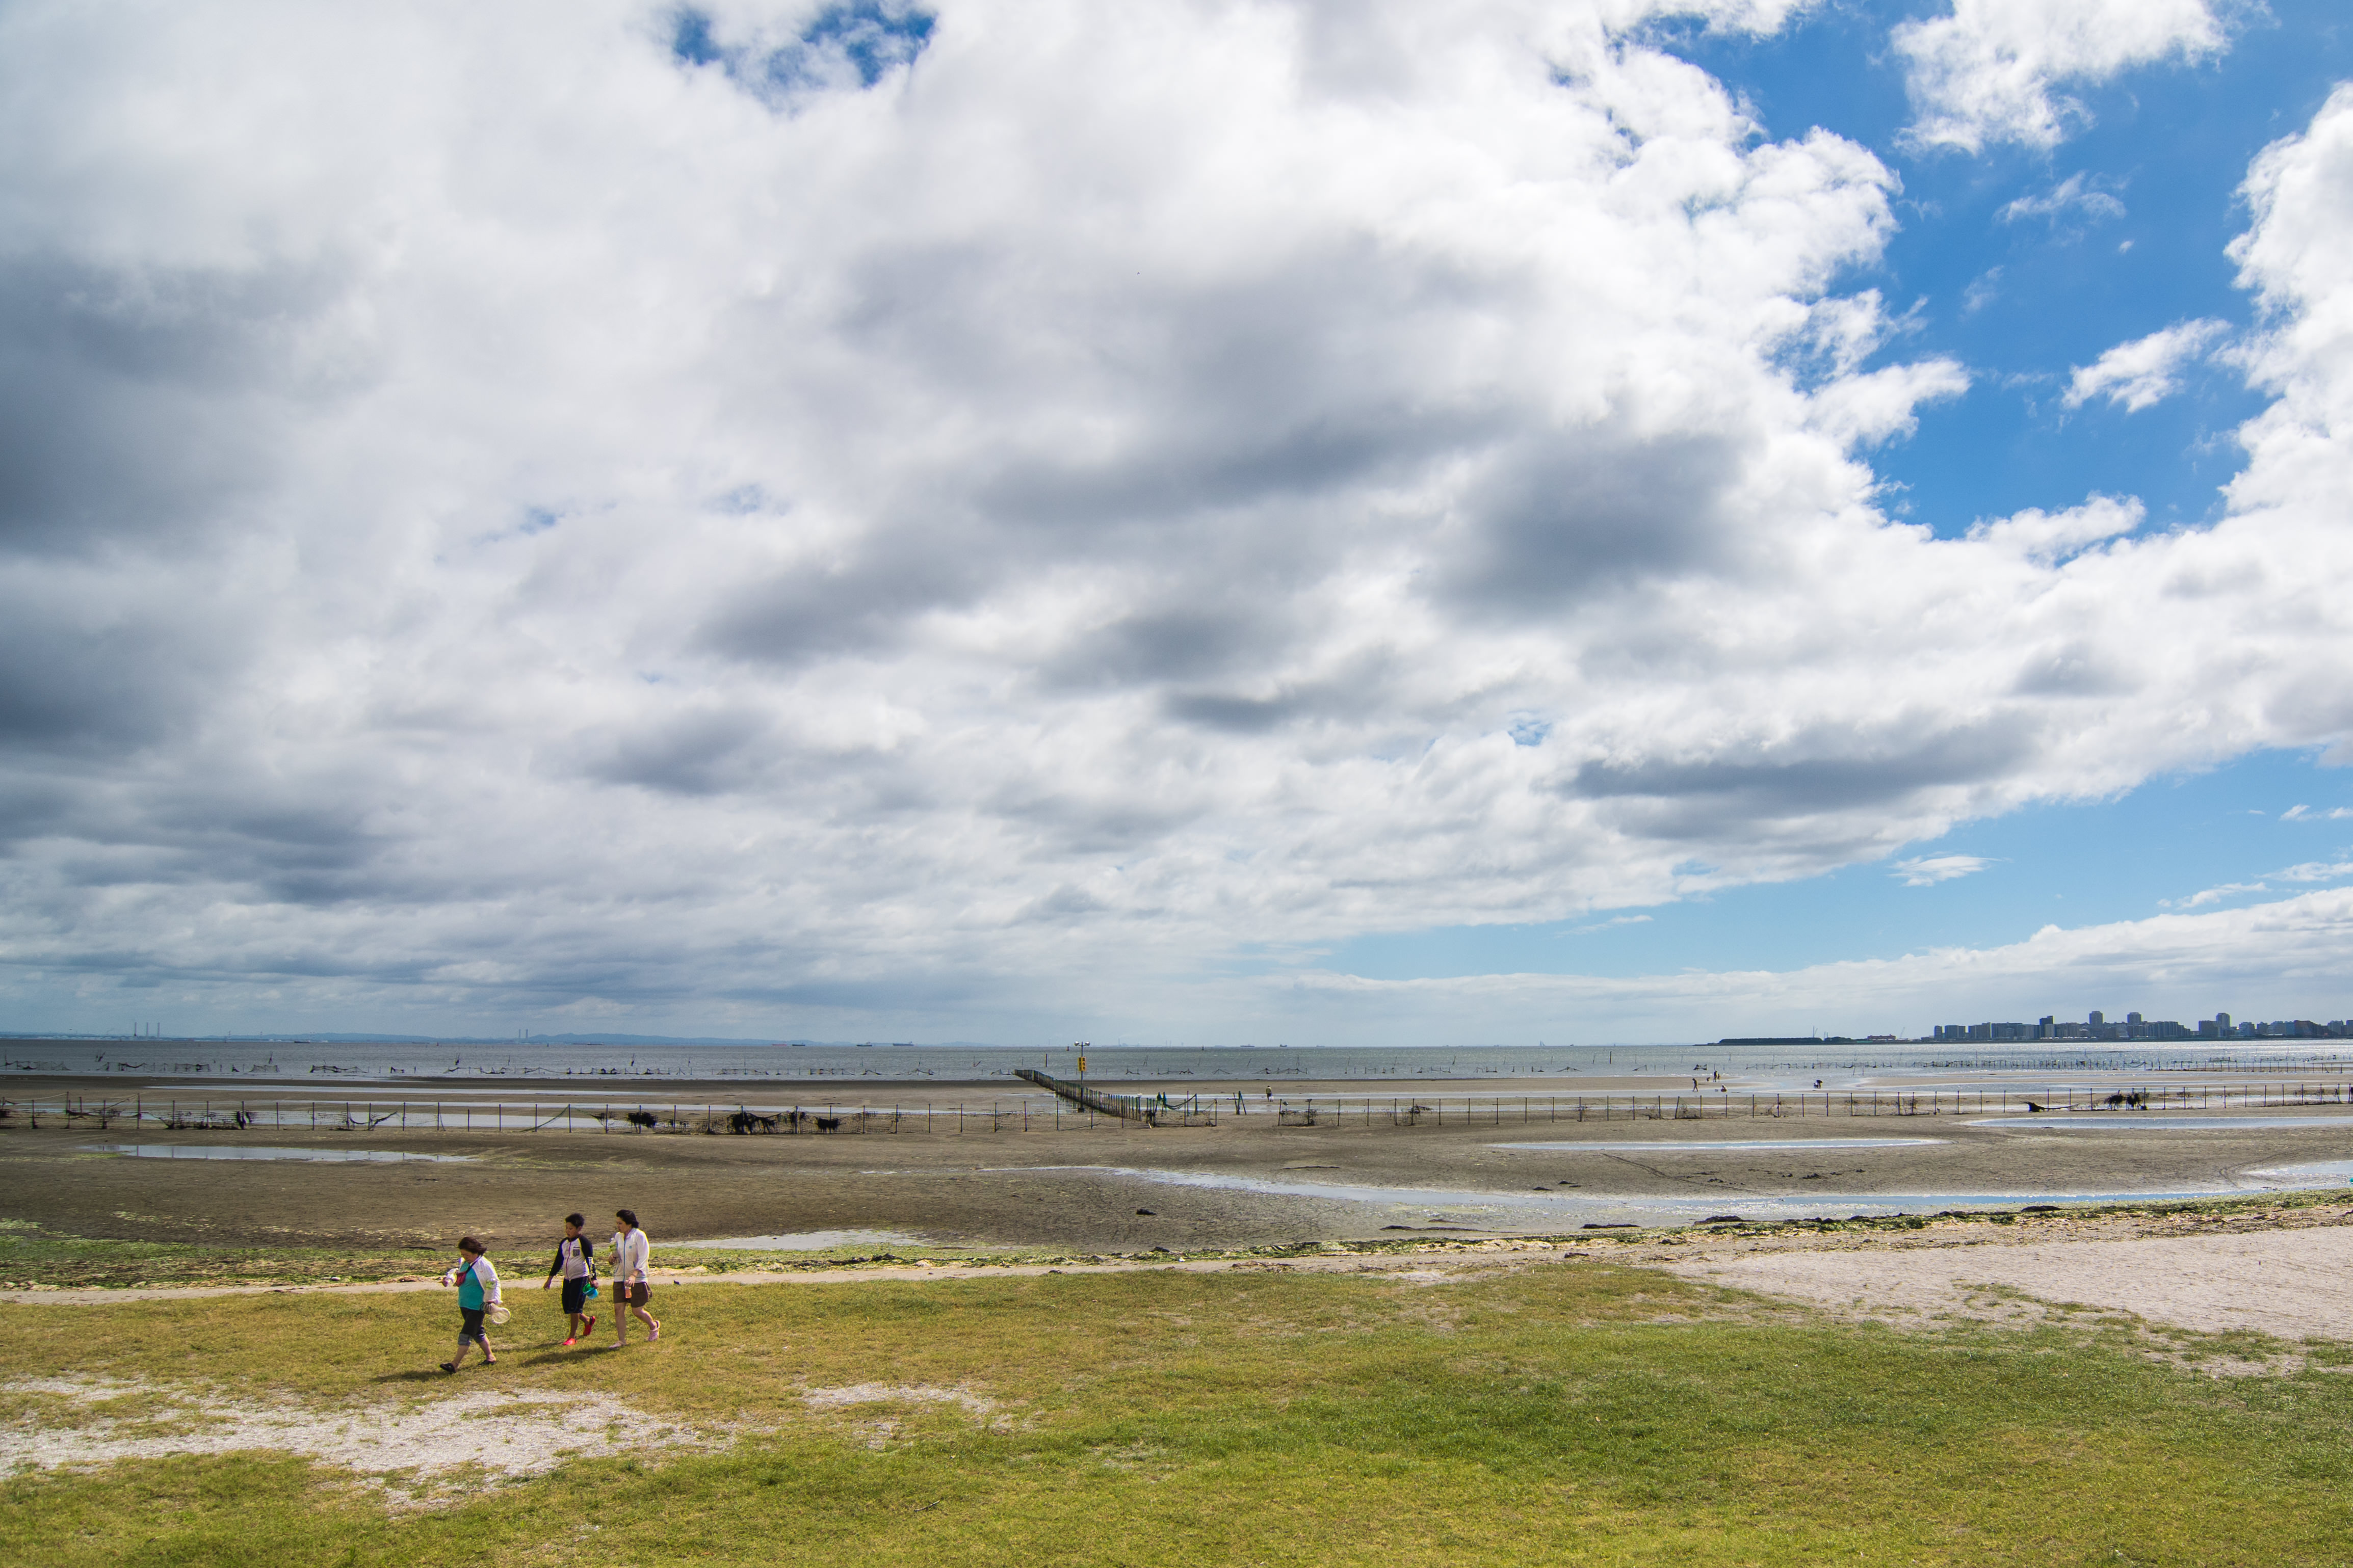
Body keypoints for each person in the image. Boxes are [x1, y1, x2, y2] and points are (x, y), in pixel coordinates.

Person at [438, 1236, 501, 1372]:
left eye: (466, 1254)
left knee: (466, 1335)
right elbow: (457, 1275)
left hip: (477, 1307)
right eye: (462, 1254)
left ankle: (454, 1364)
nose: (464, 1257)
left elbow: (494, 1283)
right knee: (478, 1332)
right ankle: (490, 1357)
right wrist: (448, 1280)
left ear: (475, 1252)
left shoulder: (485, 1265)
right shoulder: (465, 1263)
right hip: (465, 1304)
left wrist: (494, 1300)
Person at [541, 1212, 597, 1347]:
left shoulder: (584, 1242)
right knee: (567, 1307)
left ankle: (572, 1337)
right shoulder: (564, 1243)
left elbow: (590, 1260)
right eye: (566, 1228)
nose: (568, 1231)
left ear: (579, 1229)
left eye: (571, 1228)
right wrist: (550, 1279)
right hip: (568, 1279)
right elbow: (558, 1261)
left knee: (574, 1308)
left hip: (581, 1278)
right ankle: (588, 1321)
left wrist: (593, 1278)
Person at [611, 1208, 659, 1346]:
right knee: (618, 1309)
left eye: (620, 1223)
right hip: (620, 1278)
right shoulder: (618, 1237)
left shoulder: (639, 1236)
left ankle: (653, 1326)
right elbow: (617, 1253)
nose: (618, 1226)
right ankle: (621, 1341)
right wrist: (612, 1258)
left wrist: (634, 1275)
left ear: (629, 1224)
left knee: (637, 1311)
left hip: (637, 1279)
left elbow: (644, 1258)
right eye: (617, 1223)